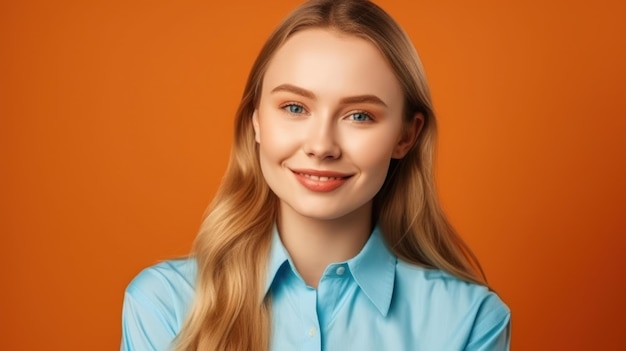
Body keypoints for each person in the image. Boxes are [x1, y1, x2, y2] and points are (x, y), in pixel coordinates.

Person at [121, 0, 511, 350]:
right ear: (257, 119)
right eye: (294, 108)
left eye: (359, 115)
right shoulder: (163, 305)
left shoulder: (468, 321)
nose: (321, 145)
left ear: (406, 136)